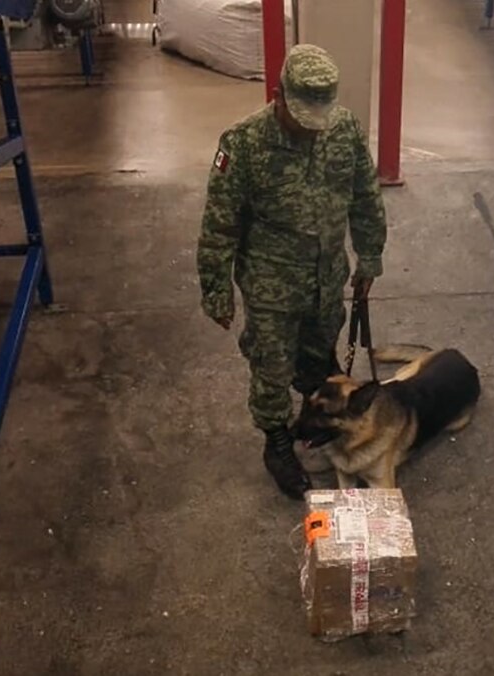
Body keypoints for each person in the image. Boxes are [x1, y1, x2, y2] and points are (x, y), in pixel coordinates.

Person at [196, 44, 388, 500]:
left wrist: (370, 256)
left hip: (327, 277)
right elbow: (219, 223)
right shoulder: (242, 144)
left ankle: (313, 418)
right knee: (271, 365)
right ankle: (277, 441)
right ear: (279, 95)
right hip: (271, 285)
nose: (309, 128)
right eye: (301, 116)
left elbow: (365, 195)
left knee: (318, 355)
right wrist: (216, 289)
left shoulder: (343, 129)